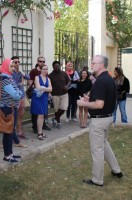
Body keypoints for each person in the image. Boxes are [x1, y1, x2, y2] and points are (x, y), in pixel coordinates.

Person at [77, 55, 123, 187]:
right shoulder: (108, 78)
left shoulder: (101, 81)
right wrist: (89, 99)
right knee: (104, 144)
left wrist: (82, 103)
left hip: (99, 120)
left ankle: (97, 180)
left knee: (97, 150)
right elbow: (103, 99)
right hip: (107, 118)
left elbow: (99, 104)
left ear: (101, 65)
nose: (91, 65)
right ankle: (116, 170)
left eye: (93, 63)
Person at [0, 58, 23, 162]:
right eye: (11, 66)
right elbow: (15, 94)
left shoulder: (9, 77)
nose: (13, 68)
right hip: (7, 107)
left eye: (14, 66)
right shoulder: (5, 78)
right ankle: (7, 156)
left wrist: (18, 93)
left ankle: (10, 153)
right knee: (7, 132)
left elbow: (16, 90)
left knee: (10, 131)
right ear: (5, 66)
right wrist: (19, 93)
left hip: (11, 107)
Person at [28, 56, 51, 133]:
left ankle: (42, 125)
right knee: (36, 112)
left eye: (43, 61)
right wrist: (33, 88)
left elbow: (49, 85)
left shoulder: (46, 72)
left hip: (44, 95)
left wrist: (46, 90)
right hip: (36, 94)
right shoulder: (33, 71)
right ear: (37, 62)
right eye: (40, 61)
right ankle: (35, 127)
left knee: (43, 112)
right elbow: (30, 82)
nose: (42, 63)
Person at [48, 60, 70, 129]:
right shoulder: (50, 76)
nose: (57, 67)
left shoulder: (64, 73)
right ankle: (58, 121)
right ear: (53, 67)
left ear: (60, 66)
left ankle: (55, 118)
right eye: (55, 66)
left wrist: (67, 86)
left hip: (64, 94)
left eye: (58, 66)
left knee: (64, 108)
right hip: (55, 95)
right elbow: (48, 85)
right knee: (56, 109)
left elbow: (69, 81)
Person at [12, 56, 30, 139]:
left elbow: (28, 77)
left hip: (22, 96)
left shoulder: (20, 71)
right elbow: (12, 83)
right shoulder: (11, 72)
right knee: (13, 116)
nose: (17, 63)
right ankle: (13, 133)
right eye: (15, 62)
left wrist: (22, 72)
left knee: (20, 115)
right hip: (14, 97)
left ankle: (19, 131)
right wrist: (20, 83)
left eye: (18, 62)